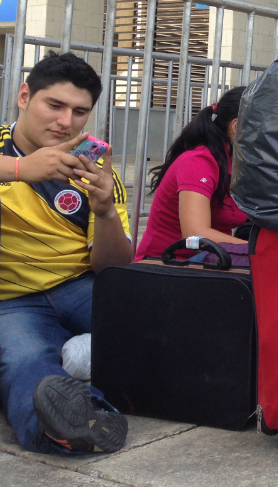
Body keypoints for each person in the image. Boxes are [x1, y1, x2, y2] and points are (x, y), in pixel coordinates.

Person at [0, 52, 132, 455]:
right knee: (25, 361)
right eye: (54, 105)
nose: (65, 122)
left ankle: (83, 375)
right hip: (11, 300)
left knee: (153, 333)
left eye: (79, 112)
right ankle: (65, 426)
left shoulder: (92, 169)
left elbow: (114, 267)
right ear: (24, 96)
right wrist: (21, 170)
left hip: (80, 284)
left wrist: (106, 211)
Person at [135, 87, 248, 261]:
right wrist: (256, 250)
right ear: (236, 127)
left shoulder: (241, 162)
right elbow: (195, 235)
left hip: (209, 260)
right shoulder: (199, 162)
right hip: (167, 265)